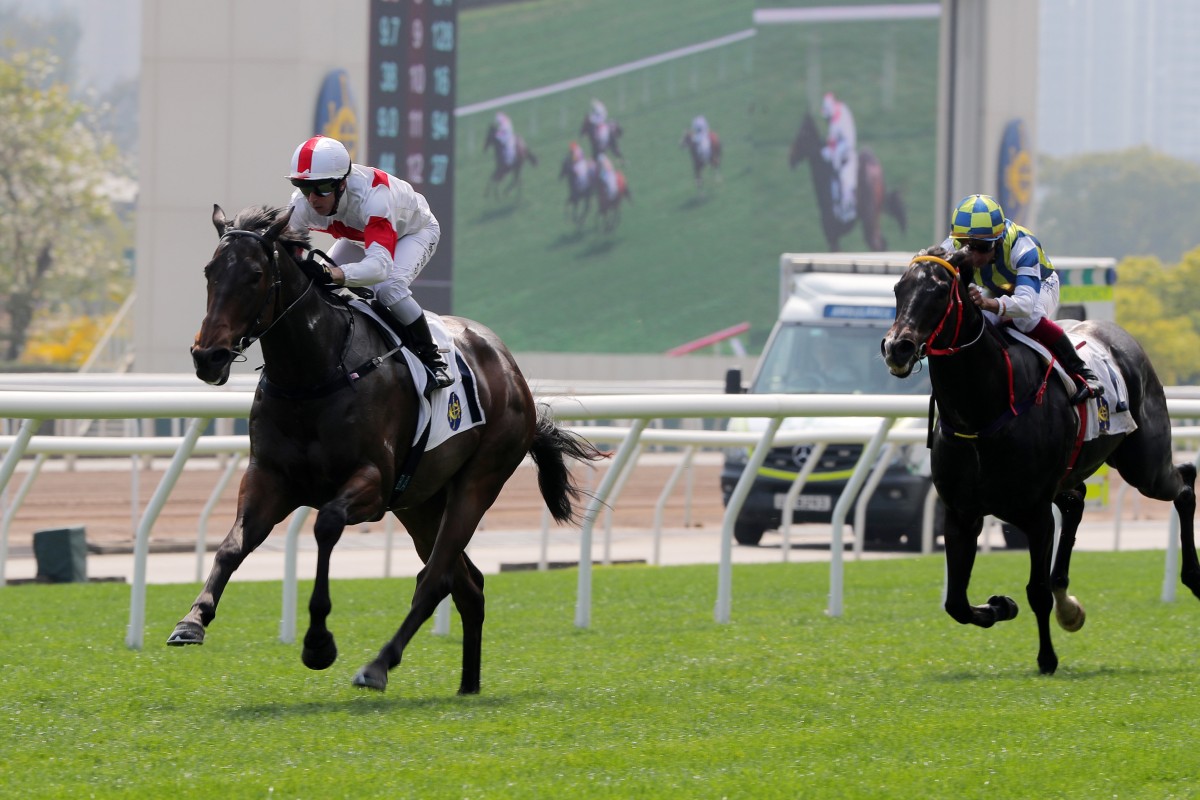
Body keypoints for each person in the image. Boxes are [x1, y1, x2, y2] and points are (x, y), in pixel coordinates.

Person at [285, 135, 453, 388]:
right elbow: (289, 260)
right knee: (312, 288)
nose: (313, 199)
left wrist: (332, 274)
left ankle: (433, 359)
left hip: (413, 233)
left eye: (322, 188)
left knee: (388, 289)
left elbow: (380, 267)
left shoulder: (375, 197)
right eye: (304, 187)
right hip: (361, 238)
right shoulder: (300, 204)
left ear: (342, 183)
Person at [941, 193, 1102, 404]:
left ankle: (1083, 372)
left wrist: (987, 303)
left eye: (983, 247)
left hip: (1040, 285)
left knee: (1026, 319)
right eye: (966, 245)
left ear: (999, 240)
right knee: (975, 323)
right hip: (996, 287)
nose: (974, 256)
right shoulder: (952, 244)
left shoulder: (1023, 246)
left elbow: (1025, 304)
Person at [819, 92, 857, 223]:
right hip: (848, 138)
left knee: (835, 165)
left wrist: (828, 152)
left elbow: (833, 143)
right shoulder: (842, 107)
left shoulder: (835, 124)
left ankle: (848, 209)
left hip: (846, 145)